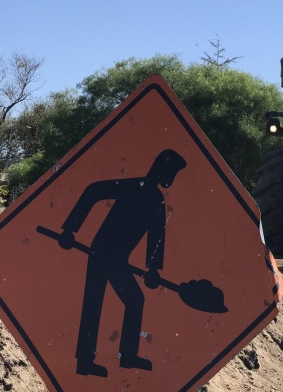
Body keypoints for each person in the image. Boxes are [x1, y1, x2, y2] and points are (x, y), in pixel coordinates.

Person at [57, 149, 186, 377]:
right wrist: (70, 229)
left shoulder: (157, 200)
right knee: (93, 301)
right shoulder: (134, 186)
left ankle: (127, 356)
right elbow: (94, 191)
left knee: (135, 300)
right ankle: (85, 361)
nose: (170, 178)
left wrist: (153, 269)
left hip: (118, 259)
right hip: (101, 251)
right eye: (170, 172)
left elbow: (156, 235)